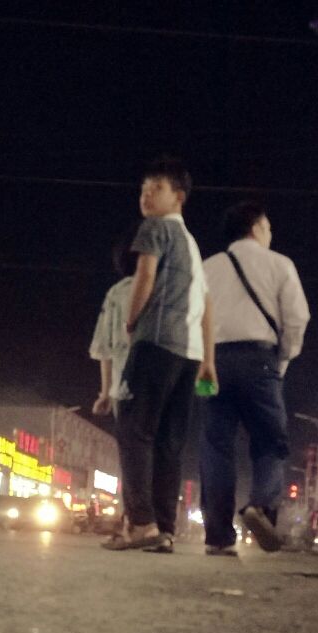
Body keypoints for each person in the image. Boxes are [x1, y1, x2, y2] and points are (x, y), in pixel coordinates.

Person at [105, 156, 214, 555]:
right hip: (188, 353)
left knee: (133, 431)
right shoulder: (192, 243)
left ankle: (143, 524)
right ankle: (164, 528)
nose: (146, 196)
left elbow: (145, 276)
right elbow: (206, 303)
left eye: (157, 189)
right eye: (143, 190)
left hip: (156, 344)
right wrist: (208, 360)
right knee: (169, 443)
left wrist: (132, 321)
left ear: (178, 197)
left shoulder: (155, 229)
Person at [198, 201, 311, 556]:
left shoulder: (207, 268)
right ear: (258, 227)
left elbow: (191, 317)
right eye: (269, 227)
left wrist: (202, 362)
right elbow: (296, 318)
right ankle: (260, 507)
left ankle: (218, 536)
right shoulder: (279, 264)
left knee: (216, 448)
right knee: (270, 442)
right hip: (260, 360)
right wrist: (282, 359)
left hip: (213, 361)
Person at [90, 229, 139, 419]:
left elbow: (104, 348)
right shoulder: (170, 289)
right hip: (163, 386)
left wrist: (105, 393)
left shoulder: (117, 293)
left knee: (131, 447)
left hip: (123, 388)